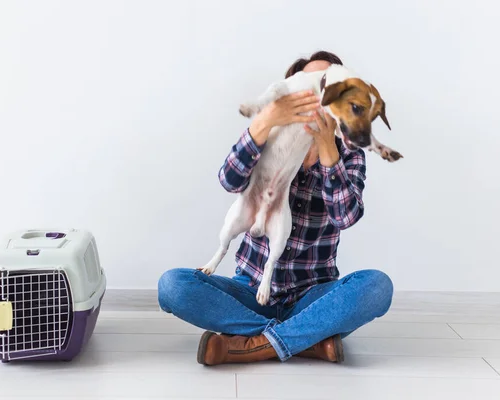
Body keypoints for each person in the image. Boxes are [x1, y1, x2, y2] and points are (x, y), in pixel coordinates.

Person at [157, 50, 393, 366]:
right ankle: (305, 341)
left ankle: (251, 343)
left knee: (377, 287)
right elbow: (229, 180)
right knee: (172, 286)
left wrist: (326, 148)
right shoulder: (271, 133)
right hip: (249, 290)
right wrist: (265, 119)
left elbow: (345, 216)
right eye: (310, 85)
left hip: (313, 297)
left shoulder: (348, 151)